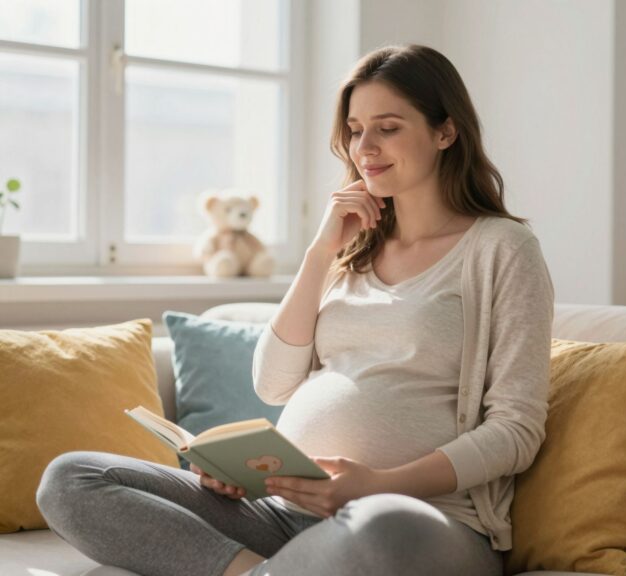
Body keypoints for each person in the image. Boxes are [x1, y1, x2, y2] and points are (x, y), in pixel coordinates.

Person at [36, 44, 554, 576]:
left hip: (419, 520)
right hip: (281, 514)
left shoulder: (502, 249)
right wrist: (320, 253)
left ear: (446, 132)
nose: (365, 148)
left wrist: (377, 485)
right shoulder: (350, 251)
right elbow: (273, 384)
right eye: (354, 129)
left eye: (388, 127)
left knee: (383, 528)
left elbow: (515, 431)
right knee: (72, 479)